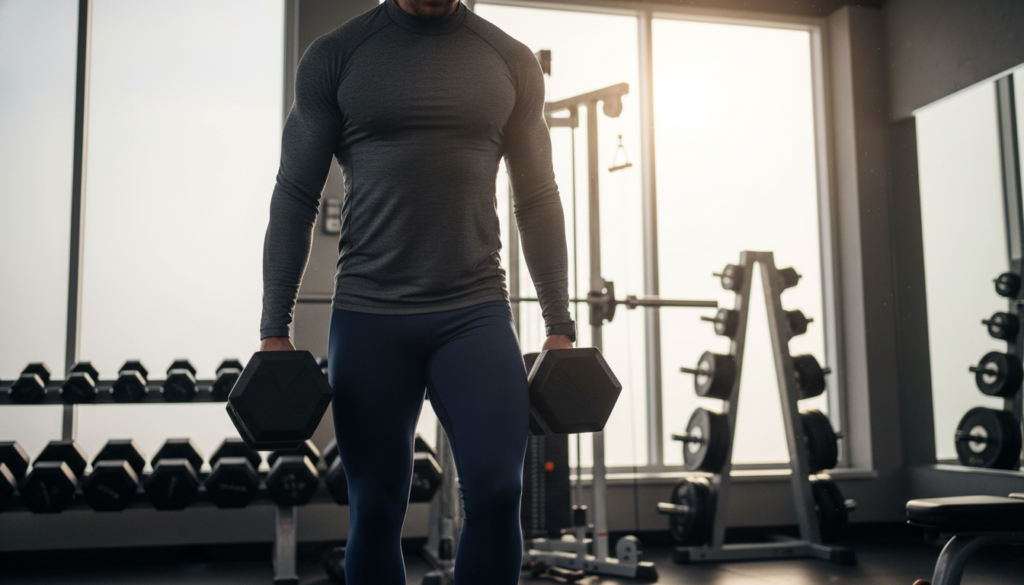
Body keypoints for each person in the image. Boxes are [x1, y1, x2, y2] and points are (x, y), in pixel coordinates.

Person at [257, 0, 575, 583]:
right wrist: (273, 329)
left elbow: (538, 197)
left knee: (500, 490)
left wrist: (560, 324)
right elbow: (295, 194)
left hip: (474, 311)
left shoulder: (508, 59)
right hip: (369, 315)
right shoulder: (336, 56)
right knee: (376, 509)